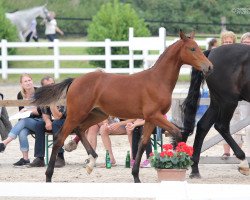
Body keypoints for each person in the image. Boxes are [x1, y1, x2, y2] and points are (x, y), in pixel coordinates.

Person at [0, 74, 43, 166]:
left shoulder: (39, 92)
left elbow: (42, 112)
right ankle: (25, 159)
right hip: (27, 122)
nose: (28, 83)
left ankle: (4, 143)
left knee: (23, 121)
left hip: (40, 122)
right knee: (22, 132)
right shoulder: (20, 95)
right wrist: (21, 113)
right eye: (25, 81)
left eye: (29, 80)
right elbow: (21, 113)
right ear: (21, 84)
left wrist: (29, 111)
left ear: (32, 81)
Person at [29, 76, 66, 168]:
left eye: (53, 84)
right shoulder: (44, 96)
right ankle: (39, 158)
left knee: (56, 124)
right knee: (39, 124)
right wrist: (47, 121)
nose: (52, 86)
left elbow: (58, 116)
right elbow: (44, 113)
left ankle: (60, 157)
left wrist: (52, 102)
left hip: (66, 121)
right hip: (54, 121)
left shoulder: (61, 95)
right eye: (48, 85)